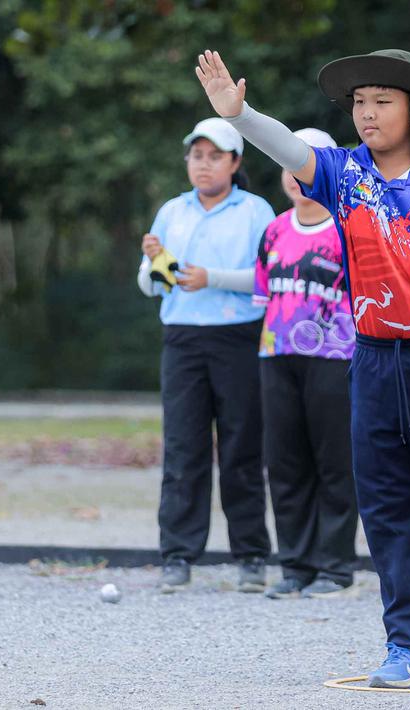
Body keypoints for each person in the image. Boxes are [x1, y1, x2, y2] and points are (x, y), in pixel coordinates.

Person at [195, 49, 410, 687]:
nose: (367, 113)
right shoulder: (342, 174)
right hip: (374, 363)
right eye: (359, 102)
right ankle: (409, 644)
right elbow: (289, 153)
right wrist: (239, 116)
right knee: (386, 507)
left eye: (382, 100)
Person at [137, 118, 276, 593]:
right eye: (197, 155)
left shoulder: (256, 211)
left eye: (215, 156)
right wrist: (157, 260)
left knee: (242, 448)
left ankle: (252, 555)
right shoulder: (172, 212)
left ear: (235, 163)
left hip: (237, 337)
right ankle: (177, 555)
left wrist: (211, 277)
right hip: (182, 339)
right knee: (182, 449)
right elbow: (150, 284)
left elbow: (267, 278)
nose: (204, 164)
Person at [253, 127, 359, 601]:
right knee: (285, 463)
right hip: (277, 356)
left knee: (335, 463)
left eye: (306, 164)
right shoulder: (274, 229)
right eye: (289, 165)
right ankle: (295, 566)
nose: (296, 176)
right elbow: (263, 295)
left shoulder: (348, 226)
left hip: (335, 359)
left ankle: (336, 569)